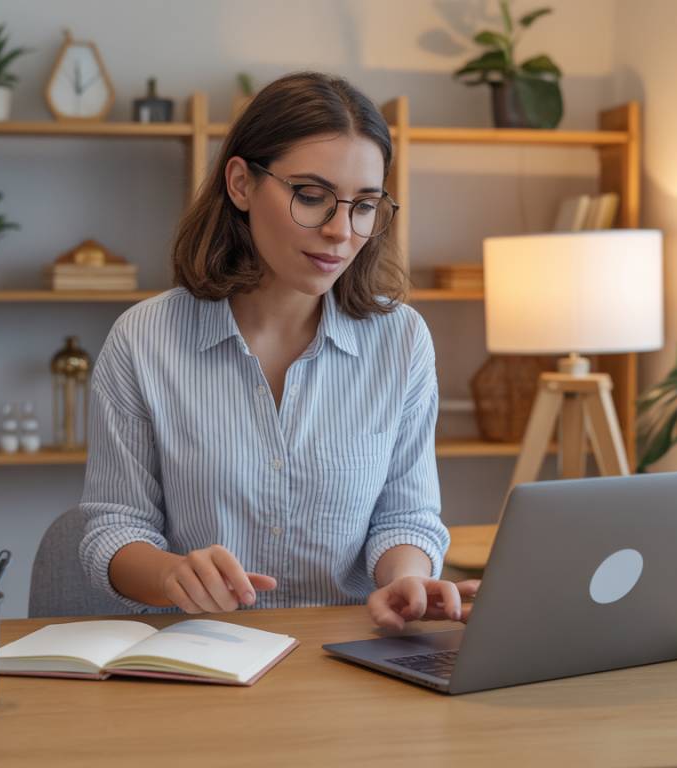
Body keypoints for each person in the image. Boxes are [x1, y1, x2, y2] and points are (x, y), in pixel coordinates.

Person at [79, 71, 479, 630]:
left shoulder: (402, 339)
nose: (341, 231)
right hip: (200, 656)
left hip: (353, 653)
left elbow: (405, 515)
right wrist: (172, 574)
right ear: (241, 184)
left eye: (364, 205)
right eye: (311, 197)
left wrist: (405, 578)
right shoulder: (144, 340)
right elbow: (113, 530)